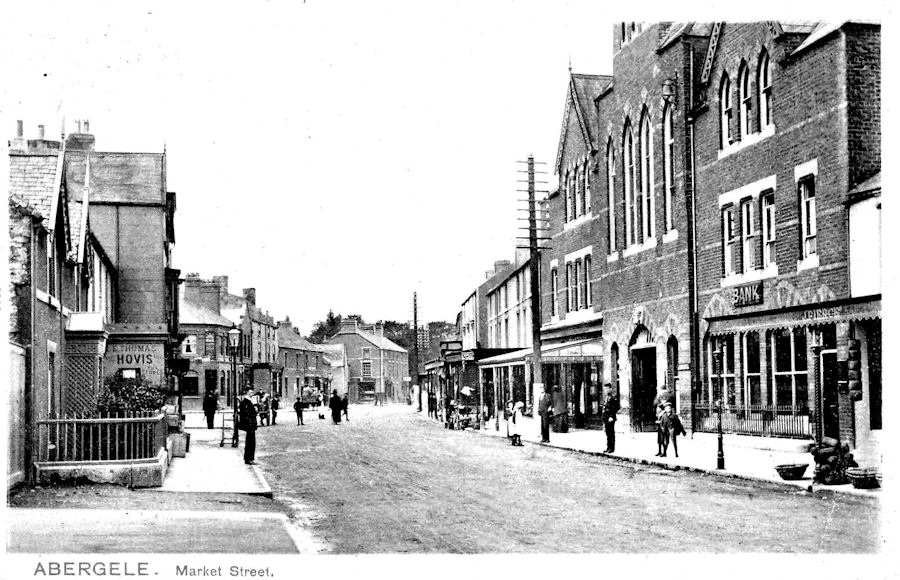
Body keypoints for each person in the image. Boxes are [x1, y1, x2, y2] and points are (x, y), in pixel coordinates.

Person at [238, 388, 258, 465]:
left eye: (252, 392)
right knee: (251, 442)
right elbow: (247, 415)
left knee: (250, 442)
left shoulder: (247, 402)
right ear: (247, 393)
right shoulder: (247, 402)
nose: (252, 393)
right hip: (250, 426)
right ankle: (249, 459)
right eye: (250, 392)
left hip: (250, 425)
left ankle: (248, 458)